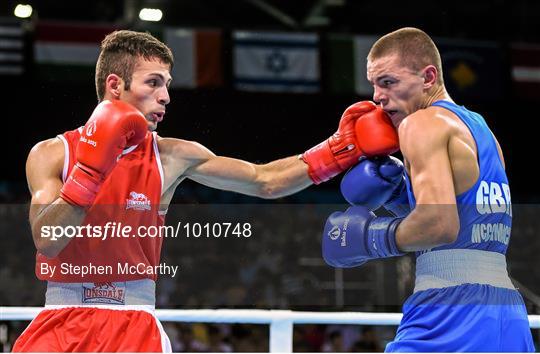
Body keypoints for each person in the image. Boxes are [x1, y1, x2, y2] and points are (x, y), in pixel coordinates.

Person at [13, 30, 398, 352]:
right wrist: (92, 172)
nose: (166, 96)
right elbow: (47, 240)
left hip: (132, 324)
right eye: (153, 82)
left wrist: (339, 149)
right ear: (115, 85)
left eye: (167, 85)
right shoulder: (53, 153)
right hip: (59, 323)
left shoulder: (171, 156)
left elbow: (265, 180)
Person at [322, 27, 535, 352]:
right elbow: (465, 221)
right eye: (374, 85)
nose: (377, 96)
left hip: (450, 308)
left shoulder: (419, 124)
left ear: (428, 77)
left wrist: (370, 239)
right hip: (506, 311)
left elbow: (440, 226)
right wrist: (399, 196)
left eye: (388, 82)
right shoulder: (481, 130)